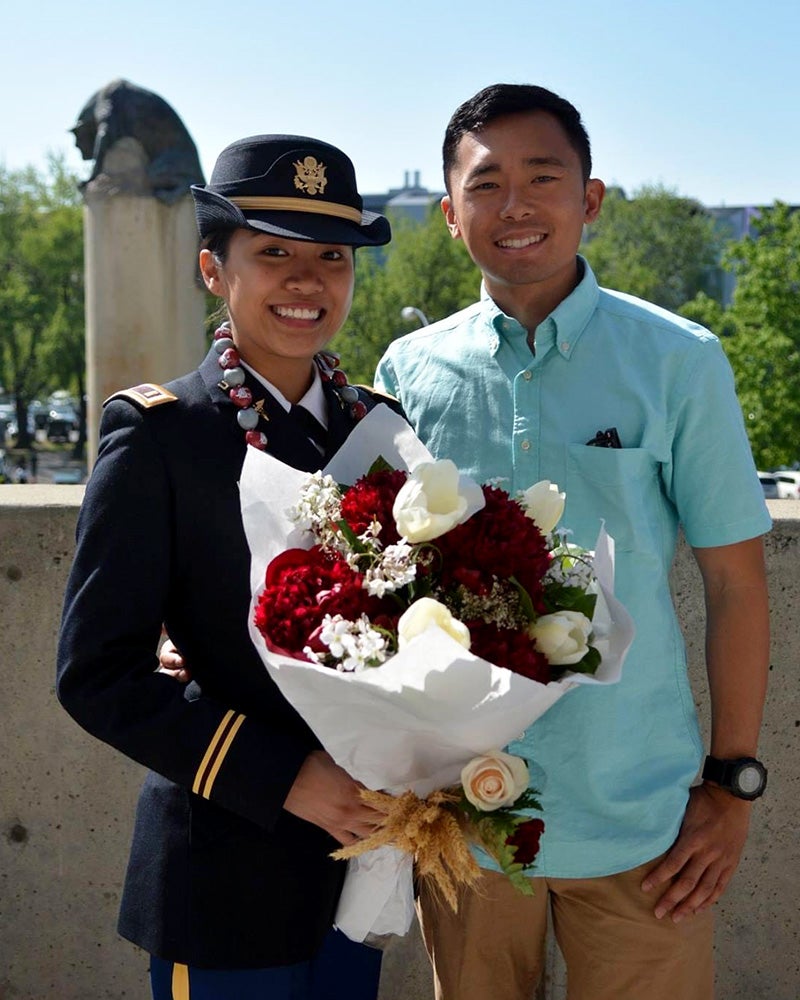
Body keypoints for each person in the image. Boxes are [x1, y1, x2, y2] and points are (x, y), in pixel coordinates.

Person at [374, 84, 771, 1000]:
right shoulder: (409, 370)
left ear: (590, 199)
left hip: (642, 825)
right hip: (464, 822)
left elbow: (738, 584)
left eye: (543, 176)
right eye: (485, 184)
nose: (514, 205)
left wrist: (731, 789)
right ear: (448, 214)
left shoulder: (679, 360)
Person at [57, 134, 399, 1000]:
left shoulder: (382, 434)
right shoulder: (162, 434)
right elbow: (97, 675)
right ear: (214, 269)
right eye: (273, 252)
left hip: (363, 867)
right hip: (222, 874)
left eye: (331, 256)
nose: (307, 281)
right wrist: (283, 777)